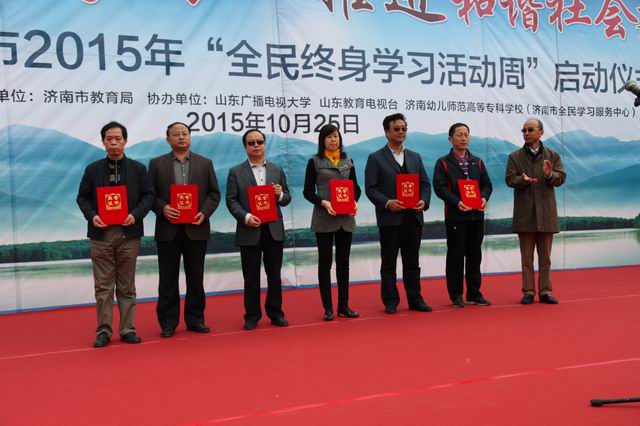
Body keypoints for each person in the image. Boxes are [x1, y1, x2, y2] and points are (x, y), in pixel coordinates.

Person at [77, 121, 155, 348]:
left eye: (118, 139)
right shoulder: (92, 169)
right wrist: (92, 216)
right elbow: (82, 198)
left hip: (128, 233)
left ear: (125, 141)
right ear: (103, 142)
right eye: (109, 139)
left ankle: (128, 329)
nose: (113, 143)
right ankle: (103, 331)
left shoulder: (138, 169)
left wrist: (135, 215)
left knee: (126, 286)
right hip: (101, 234)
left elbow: (149, 196)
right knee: (103, 287)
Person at [149, 122, 221, 337]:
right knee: (167, 278)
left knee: (195, 277)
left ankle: (195, 319)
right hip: (168, 229)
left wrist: (204, 213)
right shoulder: (156, 164)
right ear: (168, 139)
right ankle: (168, 322)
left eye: (185, 134)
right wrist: (163, 208)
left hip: (196, 227)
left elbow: (214, 194)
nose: (181, 137)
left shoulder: (205, 163)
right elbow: (149, 195)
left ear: (190, 137)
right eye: (176, 134)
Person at [364, 113, 432, 314]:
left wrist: (424, 201)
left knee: (412, 262)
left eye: (404, 129)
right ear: (387, 132)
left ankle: (415, 299)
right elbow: (371, 189)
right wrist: (387, 203)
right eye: (396, 129)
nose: (401, 132)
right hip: (390, 218)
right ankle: (391, 301)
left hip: (413, 217)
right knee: (389, 262)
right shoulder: (375, 158)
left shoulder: (414, 156)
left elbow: (425, 185)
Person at [226, 129, 292, 330]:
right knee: (251, 277)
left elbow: (287, 198)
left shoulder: (276, 169)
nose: (256, 145)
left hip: (273, 230)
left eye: (260, 142)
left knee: (274, 275)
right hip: (249, 229)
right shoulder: (235, 172)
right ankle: (252, 315)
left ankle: (276, 313)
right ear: (245, 147)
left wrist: (280, 194)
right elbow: (231, 200)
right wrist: (246, 217)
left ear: (264, 144)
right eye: (251, 142)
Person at [303, 124, 362, 321]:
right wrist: (323, 202)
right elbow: (307, 192)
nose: (333, 140)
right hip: (324, 217)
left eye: (335, 136)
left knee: (343, 263)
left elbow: (356, 188)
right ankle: (327, 307)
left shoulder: (348, 161)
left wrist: (354, 201)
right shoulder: (314, 161)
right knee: (325, 263)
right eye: (328, 137)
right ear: (322, 140)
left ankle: (343, 305)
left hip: (345, 217)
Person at [505, 118, 566, 305]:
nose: (526, 133)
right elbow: (509, 179)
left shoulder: (553, 155)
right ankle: (528, 292)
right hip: (525, 213)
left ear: (541, 132)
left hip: (546, 213)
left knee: (545, 257)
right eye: (524, 130)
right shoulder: (515, 157)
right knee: (526, 258)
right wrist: (521, 180)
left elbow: (561, 177)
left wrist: (549, 175)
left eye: (530, 129)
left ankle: (545, 291)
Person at [433, 123, 493, 308]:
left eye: (466, 134)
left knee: (475, 256)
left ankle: (474, 293)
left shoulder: (477, 161)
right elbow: (440, 188)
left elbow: (486, 185)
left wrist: (483, 197)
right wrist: (456, 202)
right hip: (456, 215)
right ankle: (456, 295)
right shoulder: (443, 162)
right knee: (456, 256)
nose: (463, 138)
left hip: (476, 215)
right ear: (450, 138)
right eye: (459, 135)